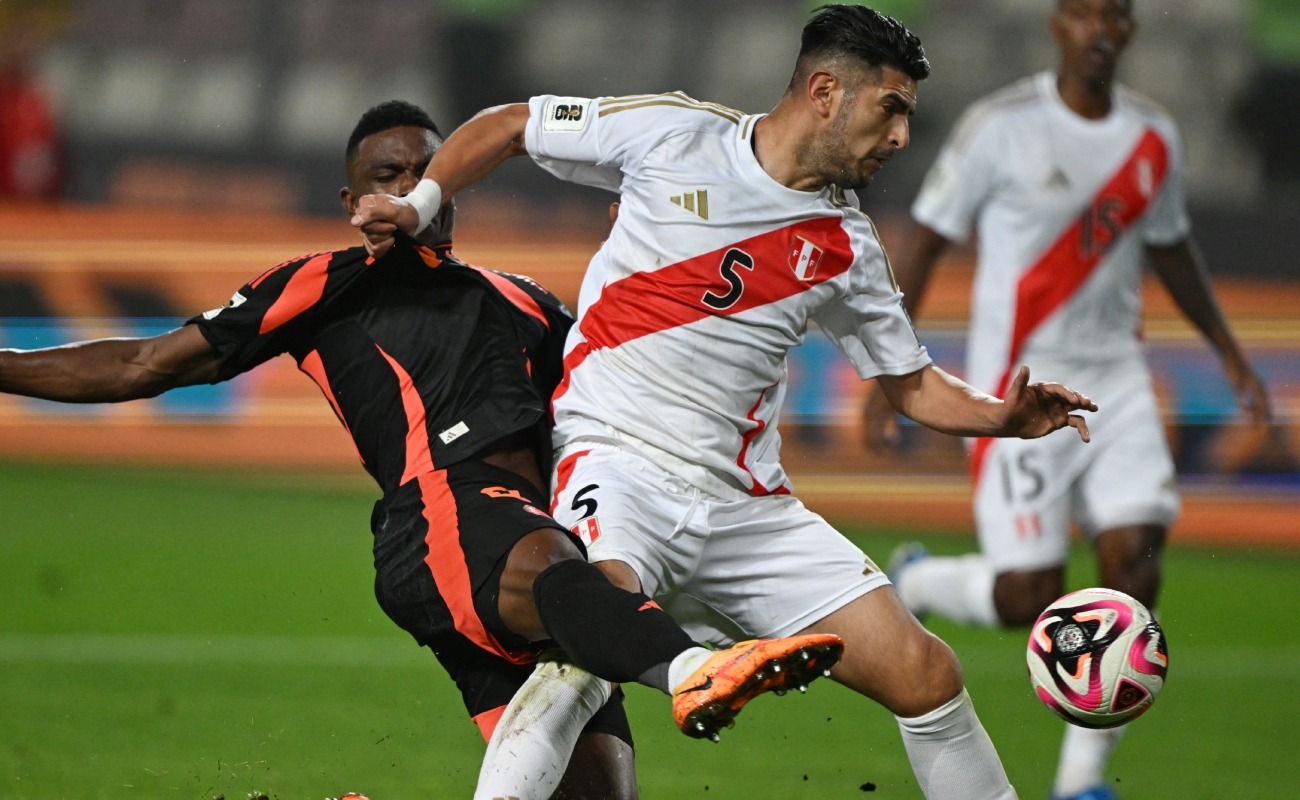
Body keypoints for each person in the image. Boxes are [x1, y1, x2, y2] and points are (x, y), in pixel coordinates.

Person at [352, 7, 1104, 799]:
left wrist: (1002, 417)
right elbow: (511, 125)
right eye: (892, 110)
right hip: (618, 465)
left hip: (750, 507)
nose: (900, 138)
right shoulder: (673, 135)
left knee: (926, 673)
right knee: (584, 654)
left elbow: (908, 383)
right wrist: (420, 203)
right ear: (825, 92)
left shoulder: (848, 244)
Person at [0, 100, 846, 800]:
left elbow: (622, 392)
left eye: (423, 173)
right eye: (386, 176)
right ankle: (693, 668)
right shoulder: (328, 284)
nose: (410, 188)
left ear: (452, 188)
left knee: (596, 792)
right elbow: (144, 362)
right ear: (351, 200)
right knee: (550, 557)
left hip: (522, 564)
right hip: (442, 516)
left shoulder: (524, 302)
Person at [860, 2, 1273, 799]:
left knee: (1134, 565)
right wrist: (891, 369)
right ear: (1058, 24)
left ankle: (1081, 782)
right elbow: (928, 235)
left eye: (1113, 15)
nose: (1098, 29)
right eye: (1083, 13)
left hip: (1118, 377)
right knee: (1029, 596)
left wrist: (1228, 350)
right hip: (1020, 389)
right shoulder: (999, 127)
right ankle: (919, 584)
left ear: (1129, 30)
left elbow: (1173, 245)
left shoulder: (1153, 138)